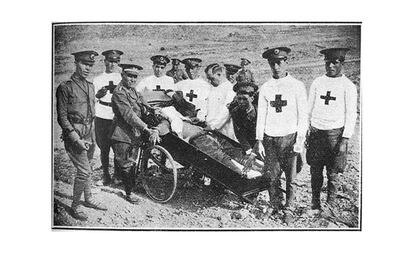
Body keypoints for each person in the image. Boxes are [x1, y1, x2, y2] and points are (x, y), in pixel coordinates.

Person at [256, 47, 308, 222]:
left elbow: (303, 115)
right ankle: (274, 203)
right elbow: (261, 115)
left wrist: (300, 138)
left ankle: (290, 207)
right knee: (272, 175)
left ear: (286, 62)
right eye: (272, 63)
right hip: (270, 137)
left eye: (279, 62)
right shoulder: (266, 87)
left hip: (290, 137)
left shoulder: (297, 86)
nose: (276, 67)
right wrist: (259, 140)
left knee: (290, 176)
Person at [56, 50, 107, 221]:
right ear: (76, 63)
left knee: (88, 168)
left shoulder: (91, 86)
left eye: (90, 65)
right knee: (84, 171)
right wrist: (75, 138)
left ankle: (89, 199)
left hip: (89, 131)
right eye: (84, 64)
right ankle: (75, 206)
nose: (87, 68)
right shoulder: (65, 87)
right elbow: (62, 117)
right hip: (75, 134)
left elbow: (90, 109)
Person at [306, 47, 357, 210]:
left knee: (333, 172)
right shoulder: (317, 82)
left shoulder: (348, 86)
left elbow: (351, 114)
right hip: (316, 132)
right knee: (315, 170)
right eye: (328, 63)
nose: (331, 66)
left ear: (341, 63)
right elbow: (309, 108)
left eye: (335, 62)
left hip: (335, 134)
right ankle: (315, 202)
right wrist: (307, 128)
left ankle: (331, 204)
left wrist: (345, 139)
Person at [111, 64, 168, 204]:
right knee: (126, 163)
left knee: (130, 161)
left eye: (135, 77)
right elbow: (129, 115)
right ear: (122, 75)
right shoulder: (119, 93)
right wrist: (145, 128)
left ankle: (123, 183)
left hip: (134, 133)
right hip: (122, 133)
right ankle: (129, 193)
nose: (132, 79)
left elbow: (143, 104)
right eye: (129, 76)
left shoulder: (134, 91)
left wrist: (152, 110)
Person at [93, 49, 123, 185]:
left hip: (116, 115)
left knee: (117, 146)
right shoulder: (98, 79)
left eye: (115, 62)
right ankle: (105, 175)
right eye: (110, 61)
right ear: (105, 61)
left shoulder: (121, 78)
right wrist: (98, 95)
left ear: (118, 63)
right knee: (103, 147)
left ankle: (117, 175)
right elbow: (92, 98)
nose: (112, 64)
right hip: (101, 114)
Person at [205, 63, 238, 142]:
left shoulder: (230, 90)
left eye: (211, 78)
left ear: (219, 74)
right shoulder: (213, 89)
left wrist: (213, 126)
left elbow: (226, 111)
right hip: (211, 129)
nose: (210, 81)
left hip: (224, 130)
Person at [176, 58, 211, 124]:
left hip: (199, 119)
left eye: (192, 68)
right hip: (182, 119)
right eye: (188, 69)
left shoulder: (205, 86)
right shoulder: (180, 85)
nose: (190, 71)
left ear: (198, 68)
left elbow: (206, 105)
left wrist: (200, 118)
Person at [228, 81, 258, 154]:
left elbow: (263, 135)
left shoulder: (260, 112)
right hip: (247, 144)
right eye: (239, 99)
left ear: (252, 99)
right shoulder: (235, 112)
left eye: (245, 99)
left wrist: (254, 152)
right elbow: (239, 133)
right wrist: (248, 150)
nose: (241, 102)